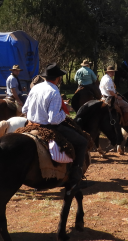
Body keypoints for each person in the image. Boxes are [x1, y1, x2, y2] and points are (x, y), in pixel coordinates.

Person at [25, 63, 89, 194]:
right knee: (83, 142)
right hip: (47, 127)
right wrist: (63, 111)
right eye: (60, 77)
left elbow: (24, 109)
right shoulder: (54, 91)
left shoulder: (35, 88)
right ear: (57, 78)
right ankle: (75, 178)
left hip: (30, 124)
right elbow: (53, 119)